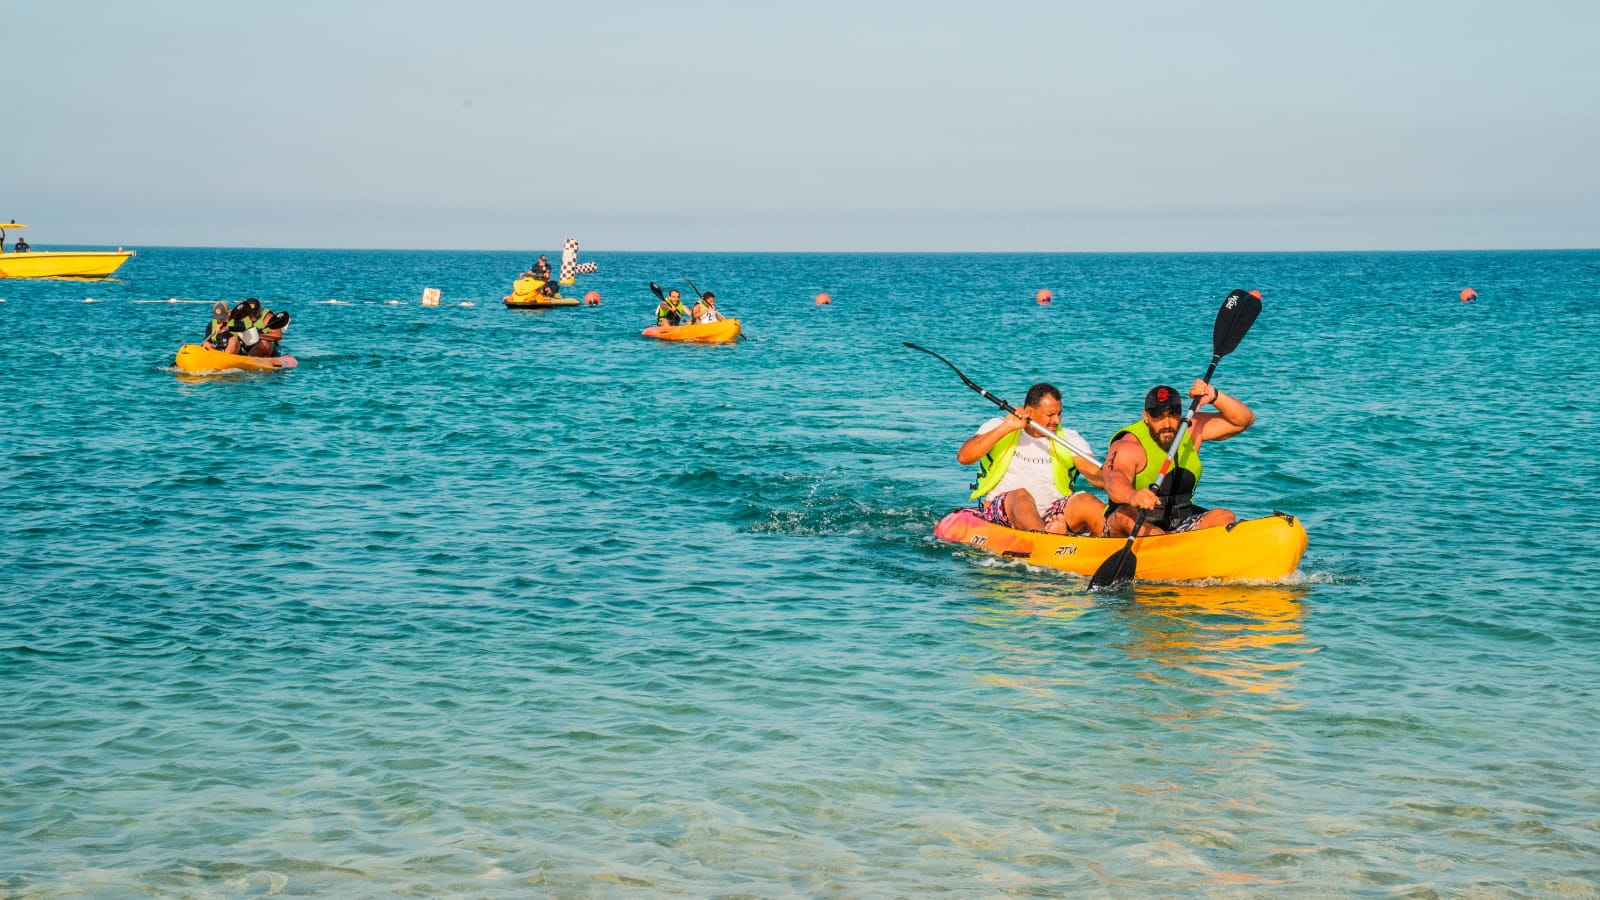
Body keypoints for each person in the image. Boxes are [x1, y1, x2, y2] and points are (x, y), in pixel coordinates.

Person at [1101, 381, 1255, 537]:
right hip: (1130, 528)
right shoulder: (1128, 445)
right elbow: (1113, 479)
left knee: (1223, 516)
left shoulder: (1192, 429)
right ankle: (1165, 547)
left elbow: (1243, 421)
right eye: (1158, 416)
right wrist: (1132, 495)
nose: (1167, 423)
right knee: (1125, 514)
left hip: (1180, 523)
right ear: (1146, 417)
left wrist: (1214, 395)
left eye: (1173, 415)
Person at [957, 383, 1105, 535]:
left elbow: (1092, 471)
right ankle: (1047, 538)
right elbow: (964, 457)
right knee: (1022, 496)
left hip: (1054, 514)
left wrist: (1118, 482)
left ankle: (1114, 539)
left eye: (1059, 414)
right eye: (1050, 415)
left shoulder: (1069, 438)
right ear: (1030, 412)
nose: (1057, 420)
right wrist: (1007, 427)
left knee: (1086, 500)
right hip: (1005, 509)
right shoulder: (999, 426)